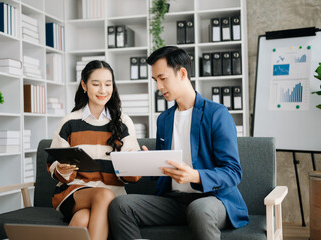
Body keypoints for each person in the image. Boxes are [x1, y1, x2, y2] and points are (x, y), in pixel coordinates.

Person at [108, 46, 249, 240]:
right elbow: (166, 170)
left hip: (212, 200)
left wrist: (195, 176)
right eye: (155, 80)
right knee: (120, 205)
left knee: (200, 209)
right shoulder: (164, 119)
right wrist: (147, 162)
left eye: (163, 78)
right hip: (174, 202)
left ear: (182, 73)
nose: (158, 86)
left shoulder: (217, 114)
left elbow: (233, 172)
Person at [47, 60, 140, 240]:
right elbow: (53, 163)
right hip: (75, 193)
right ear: (84, 85)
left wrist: (136, 161)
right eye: (96, 84)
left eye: (108, 84)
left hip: (114, 195)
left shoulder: (123, 122)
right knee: (103, 195)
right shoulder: (69, 122)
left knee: (82, 219)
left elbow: (132, 172)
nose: (103, 90)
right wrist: (61, 169)